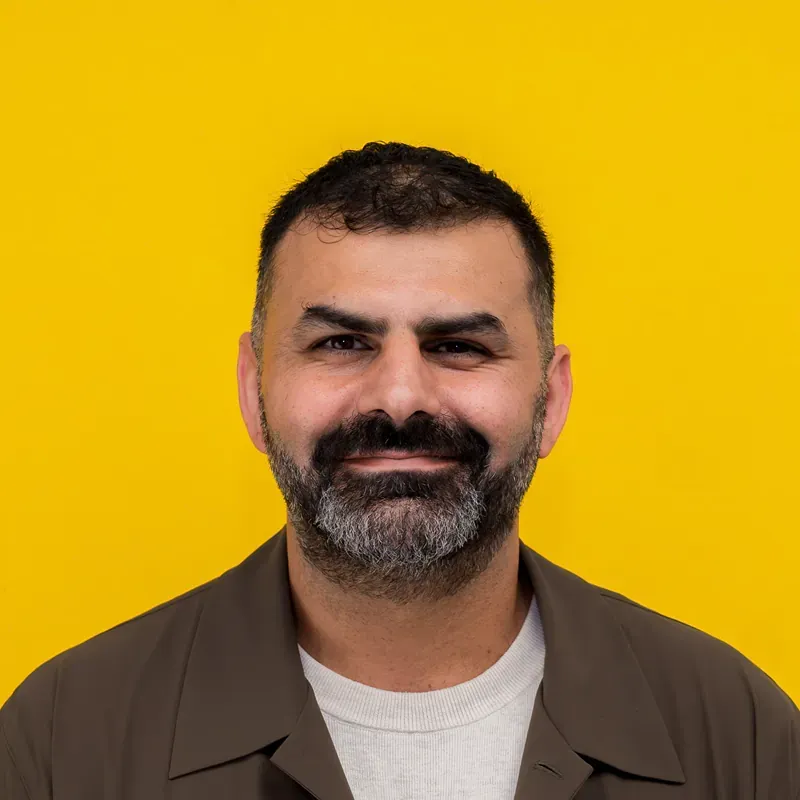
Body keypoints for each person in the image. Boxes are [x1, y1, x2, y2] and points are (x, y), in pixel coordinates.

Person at [1, 142, 797, 800]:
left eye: (459, 346)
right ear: (253, 390)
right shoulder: (64, 744)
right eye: (342, 343)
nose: (401, 395)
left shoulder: (738, 737)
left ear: (550, 400)